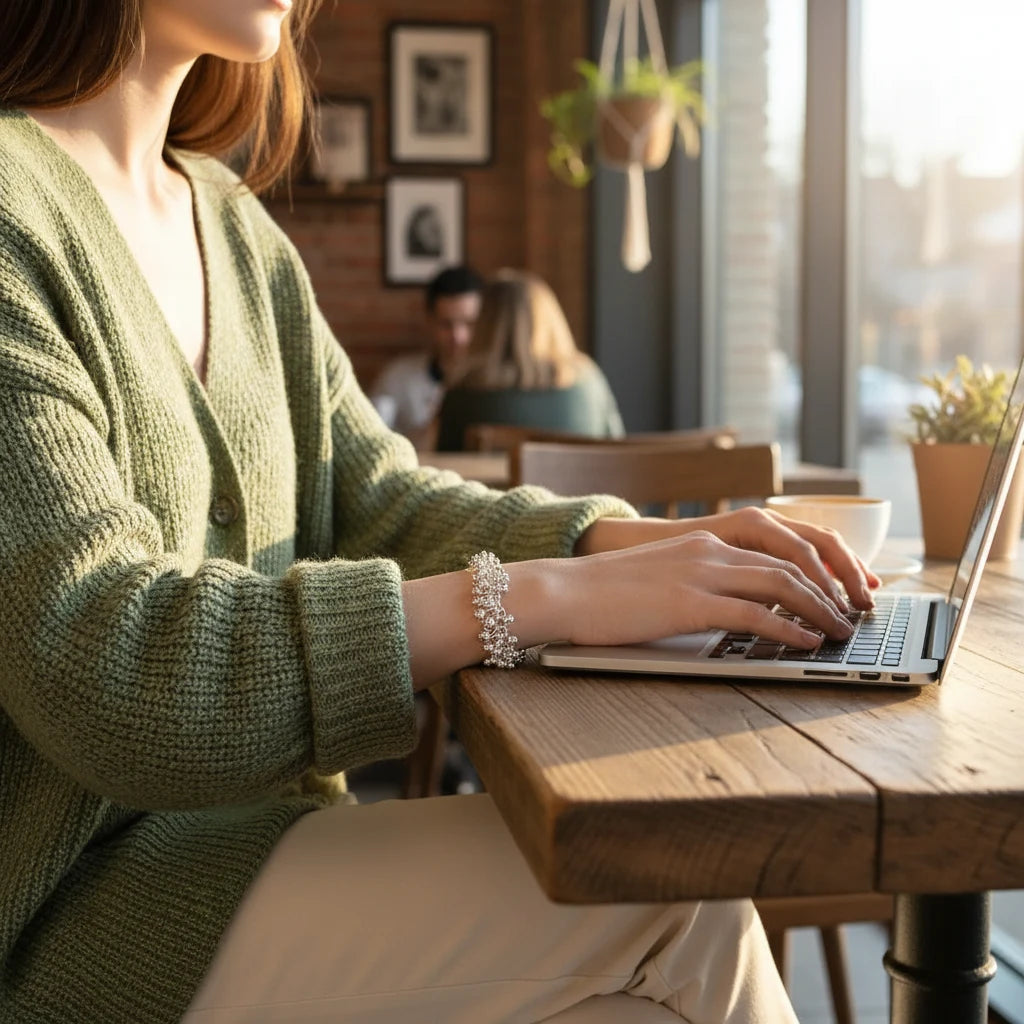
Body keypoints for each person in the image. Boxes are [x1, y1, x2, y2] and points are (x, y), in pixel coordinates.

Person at [0, 2, 879, 1023]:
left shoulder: (233, 224)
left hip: (264, 849)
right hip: (70, 913)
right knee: (673, 899)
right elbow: (111, 667)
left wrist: (636, 544)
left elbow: (376, 496)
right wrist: (533, 596)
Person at [436, 268, 626, 451]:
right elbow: (618, 448)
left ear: (484, 325)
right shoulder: (589, 381)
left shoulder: (462, 392)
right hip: (584, 485)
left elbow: (445, 467)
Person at [369, 262, 484, 447]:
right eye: (447, 324)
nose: (458, 336)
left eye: (469, 323)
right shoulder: (397, 378)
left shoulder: (493, 384)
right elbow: (371, 443)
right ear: (430, 321)